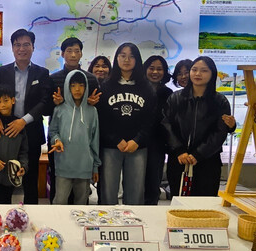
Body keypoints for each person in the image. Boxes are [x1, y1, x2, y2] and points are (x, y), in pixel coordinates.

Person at [0, 29, 52, 205]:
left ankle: (31, 215)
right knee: (5, 178)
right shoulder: (2, 72)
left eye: (26, 45)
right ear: (12, 48)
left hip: (31, 131)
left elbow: (44, 101)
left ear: (33, 47)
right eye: (17, 45)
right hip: (6, 131)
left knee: (30, 179)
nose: (22, 49)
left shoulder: (42, 73)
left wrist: (23, 120)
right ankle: (4, 215)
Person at [162, 56, 236, 197]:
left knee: (205, 203)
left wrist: (198, 154)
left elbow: (219, 132)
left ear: (212, 74)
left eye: (204, 70)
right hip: (179, 159)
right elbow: (167, 125)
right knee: (178, 202)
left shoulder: (220, 101)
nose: (197, 74)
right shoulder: (175, 98)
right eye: (194, 70)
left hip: (208, 161)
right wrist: (179, 150)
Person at [96, 43, 155, 205]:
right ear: (116, 58)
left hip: (137, 146)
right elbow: (101, 118)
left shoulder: (147, 87)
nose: (126, 60)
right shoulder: (106, 86)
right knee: (108, 192)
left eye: (131, 56)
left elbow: (151, 119)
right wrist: (116, 139)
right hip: (111, 146)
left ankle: (134, 220)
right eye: (122, 55)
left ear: (137, 60)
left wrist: (137, 140)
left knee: (135, 193)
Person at [47, 37, 100, 202]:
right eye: (69, 51)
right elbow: (46, 108)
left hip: (83, 156)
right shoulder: (53, 79)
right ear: (63, 54)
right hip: (62, 151)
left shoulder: (91, 79)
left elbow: (97, 109)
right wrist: (54, 103)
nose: (73, 55)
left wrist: (92, 103)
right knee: (59, 192)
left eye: (77, 51)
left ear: (81, 54)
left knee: (81, 198)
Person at [143, 55, 173, 204]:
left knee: (153, 182)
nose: (155, 72)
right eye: (151, 68)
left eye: (159, 69)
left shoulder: (168, 94)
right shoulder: (138, 89)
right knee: (135, 182)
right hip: (137, 143)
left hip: (158, 144)